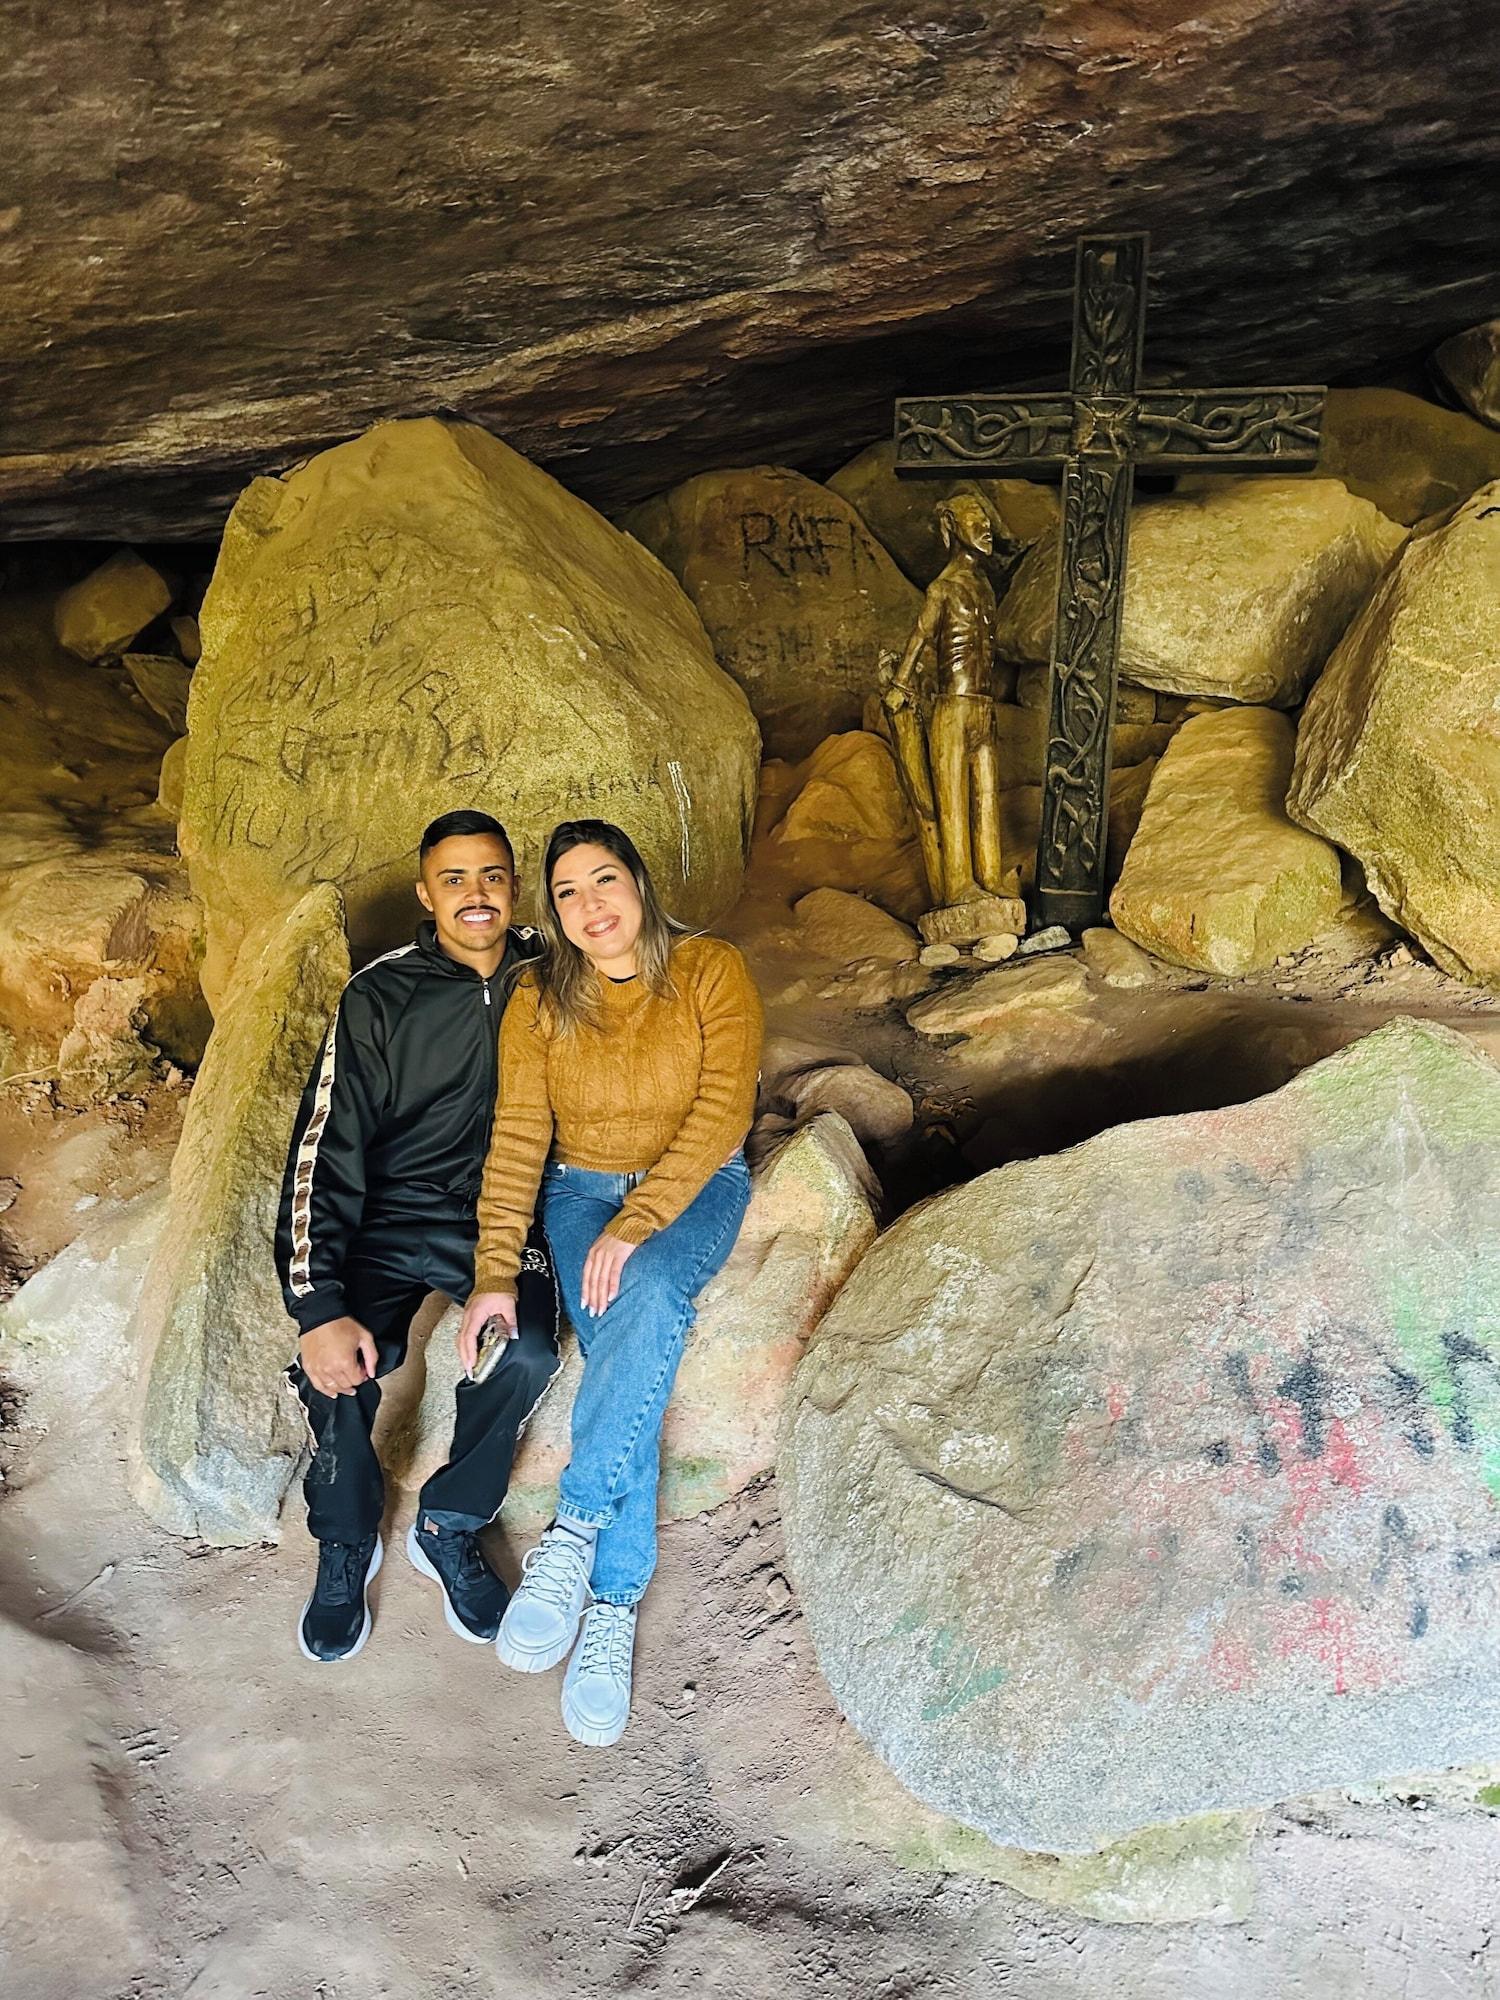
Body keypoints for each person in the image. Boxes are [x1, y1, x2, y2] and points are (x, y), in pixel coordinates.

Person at [459, 819, 762, 1746]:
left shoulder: (709, 970)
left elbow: (724, 1109)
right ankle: (612, 1608)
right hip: (579, 1191)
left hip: (697, 1183)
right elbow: (519, 1136)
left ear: (639, 881)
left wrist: (640, 1221)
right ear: (553, 914)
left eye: (604, 880)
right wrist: (494, 1272)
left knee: (654, 1293)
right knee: (634, 1346)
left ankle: (575, 1535)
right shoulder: (538, 997)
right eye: (567, 893)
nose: (590, 906)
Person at [277, 809, 561, 1665]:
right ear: (425, 894)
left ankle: (449, 1523)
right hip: (389, 1217)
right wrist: (316, 1303)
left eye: (493, 876)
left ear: (515, 886)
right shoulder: (380, 994)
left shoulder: (555, 972)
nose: (477, 895)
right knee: (336, 1362)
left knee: (526, 1350)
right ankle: (345, 1535)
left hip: (503, 1216)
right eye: (455, 879)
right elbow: (326, 1147)